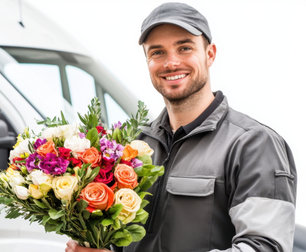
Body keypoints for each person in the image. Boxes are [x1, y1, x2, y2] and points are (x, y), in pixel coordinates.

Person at [66, 2, 297, 252]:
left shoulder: (253, 144)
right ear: (147, 61)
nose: (171, 63)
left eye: (184, 48)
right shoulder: (135, 145)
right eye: (157, 52)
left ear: (210, 54)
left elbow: (264, 247)